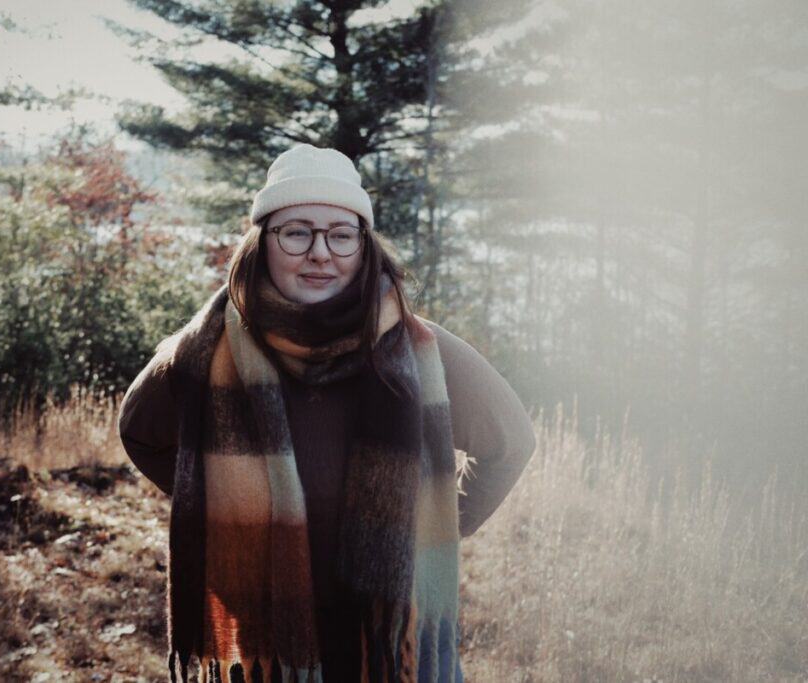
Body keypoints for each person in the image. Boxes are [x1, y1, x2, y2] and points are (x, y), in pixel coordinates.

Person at [117, 143, 537, 683]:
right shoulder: (203, 350)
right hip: (260, 632)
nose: (320, 252)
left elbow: (511, 444)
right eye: (296, 232)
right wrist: (227, 505)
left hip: (386, 636)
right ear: (262, 242)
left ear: (364, 247)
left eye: (341, 234)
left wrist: (433, 525)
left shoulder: (421, 349)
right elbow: (139, 432)